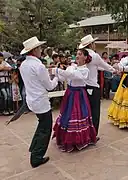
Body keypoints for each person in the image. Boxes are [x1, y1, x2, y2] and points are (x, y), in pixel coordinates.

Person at [19, 36, 59, 168]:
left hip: (31, 100)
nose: (41, 50)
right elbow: (50, 86)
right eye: (40, 48)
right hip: (41, 102)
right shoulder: (38, 65)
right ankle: (36, 157)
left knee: (41, 126)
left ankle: (34, 150)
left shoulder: (24, 65)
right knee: (45, 129)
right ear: (35, 50)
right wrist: (56, 78)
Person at [52, 49, 96, 152]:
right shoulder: (72, 66)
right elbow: (64, 78)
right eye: (77, 54)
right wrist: (58, 73)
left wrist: (59, 71)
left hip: (78, 95)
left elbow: (74, 76)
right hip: (70, 93)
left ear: (85, 57)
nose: (77, 56)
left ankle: (78, 140)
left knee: (76, 116)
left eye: (80, 54)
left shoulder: (85, 70)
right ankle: (67, 139)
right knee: (67, 116)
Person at [78, 34, 115, 138]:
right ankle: (93, 135)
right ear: (91, 44)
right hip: (93, 87)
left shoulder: (81, 55)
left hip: (83, 87)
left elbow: (96, 67)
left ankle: (84, 133)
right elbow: (104, 65)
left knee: (85, 111)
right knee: (95, 112)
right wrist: (114, 70)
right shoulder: (94, 55)